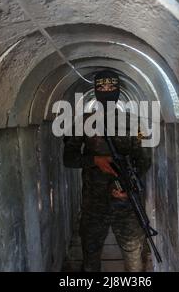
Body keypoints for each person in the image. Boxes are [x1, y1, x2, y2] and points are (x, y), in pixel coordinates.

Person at [63, 70, 152, 272]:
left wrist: (131, 183)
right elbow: (68, 158)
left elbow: (144, 160)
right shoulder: (83, 121)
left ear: (118, 91)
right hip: (94, 205)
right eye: (101, 87)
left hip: (127, 206)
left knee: (134, 260)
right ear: (95, 90)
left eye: (111, 87)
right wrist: (95, 159)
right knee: (90, 259)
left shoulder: (135, 122)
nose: (106, 91)